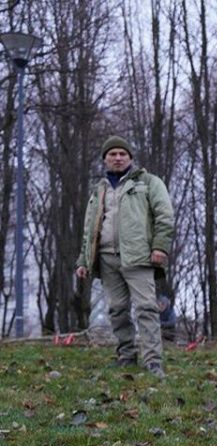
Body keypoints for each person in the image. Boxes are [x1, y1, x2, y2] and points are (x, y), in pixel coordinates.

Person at [75, 136, 176, 377]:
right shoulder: (99, 190)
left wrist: (160, 246)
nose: (118, 158)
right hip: (107, 258)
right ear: (105, 159)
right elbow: (90, 228)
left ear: (131, 158)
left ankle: (153, 361)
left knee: (146, 308)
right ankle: (126, 356)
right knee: (117, 309)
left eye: (122, 154)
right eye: (112, 154)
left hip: (140, 257)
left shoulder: (149, 183)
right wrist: (83, 260)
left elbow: (165, 216)